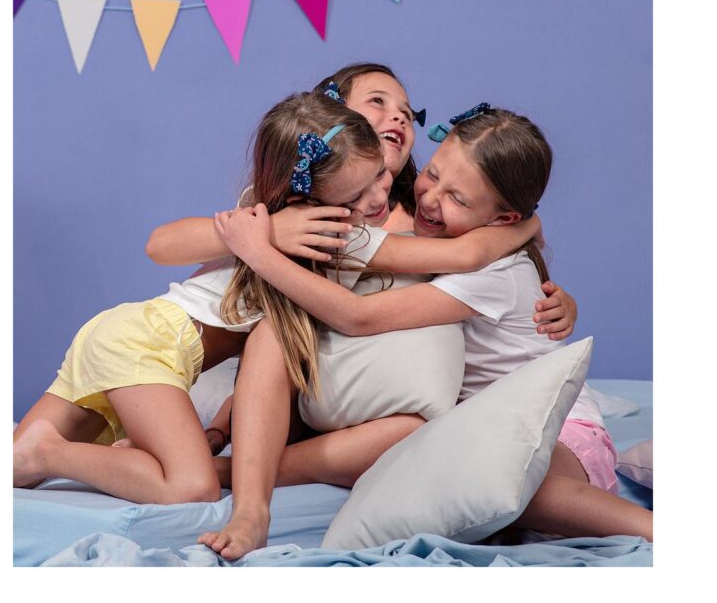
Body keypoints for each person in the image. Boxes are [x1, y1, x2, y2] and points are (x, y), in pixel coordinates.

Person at [13, 90, 539, 503]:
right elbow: (462, 255)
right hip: (145, 345)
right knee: (190, 487)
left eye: (382, 174)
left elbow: (460, 256)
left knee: (11, 469)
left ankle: (40, 453)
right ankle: (52, 454)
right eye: (357, 194)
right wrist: (525, 227)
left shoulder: (304, 221)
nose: (377, 197)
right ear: (309, 197)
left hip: (128, 336)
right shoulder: (324, 232)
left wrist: (526, 227)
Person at [209, 104, 652, 558]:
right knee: (434, 458)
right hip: (473, 426)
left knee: (511, 482)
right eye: (433, 174)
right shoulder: (437, 242)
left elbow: (358, 317)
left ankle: (650, 527)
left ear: (504, 219)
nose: (431, 198)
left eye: (458, 198)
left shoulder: (494, 272)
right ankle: (248, 475)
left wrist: (260, 253)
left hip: (556, 428)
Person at [147, 64, 576, 453]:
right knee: (274, 338)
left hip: (351, 377)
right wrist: (269, 232)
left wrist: (542, 260)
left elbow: (480, 264)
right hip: (280, 363)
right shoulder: (294, 208)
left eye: (407, 112)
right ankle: (222, 434)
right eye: (378, 103)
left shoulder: (426, 218)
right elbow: (161, 246)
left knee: (395, 421)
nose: (399, 117)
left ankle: (237, 446)